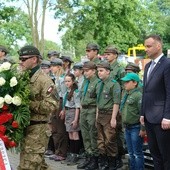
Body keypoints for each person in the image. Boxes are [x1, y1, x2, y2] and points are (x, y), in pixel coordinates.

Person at [17, 45, 58, 170]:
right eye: (20, 59)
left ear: (34, 59)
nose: (20, 62)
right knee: (38, 166)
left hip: (38, 129)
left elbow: (52, 105)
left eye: (24, 59)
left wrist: (27, 103)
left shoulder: (44, 80)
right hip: (26, 128)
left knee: (28, 166)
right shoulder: (24, 77)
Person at [140, 34, 170, 170]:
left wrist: (168, 117)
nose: (146, 49)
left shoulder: (167, 64)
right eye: (145, 46)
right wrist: (142, 113)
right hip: (148, 117)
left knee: (166, 156)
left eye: (148, 46)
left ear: (158, 46)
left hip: (162, 119)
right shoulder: (147, 67)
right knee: (154, 154)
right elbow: (145, 92)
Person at [96, 61, 121, 170]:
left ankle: (112, 163)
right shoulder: (99, 84)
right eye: (98, 71)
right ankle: (104, 162)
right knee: (100, 141)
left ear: (108, 72)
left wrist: (113, 118)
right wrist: (97, 115)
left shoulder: (114, 84)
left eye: (101, 71)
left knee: (110, 140)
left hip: (109, 114)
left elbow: (116, 102)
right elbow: (98, 101)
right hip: (100, 114)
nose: (99, 73)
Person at [104, 45, 126, 167]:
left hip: (116, 103)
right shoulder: (106, 68)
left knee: (117, 131)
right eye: (105, 54)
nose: (106, 56)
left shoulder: (119, 70)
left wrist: (120, 106)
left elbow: (124, 88)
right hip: (107, 104)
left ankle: (119, 157)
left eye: (109, 54)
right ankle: (111, 156)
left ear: (115, 55)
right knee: (109, 132)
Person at [77, 61, 99, 170]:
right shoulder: (86, 82)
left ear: (94, 71)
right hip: (84, 110)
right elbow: (81, 95)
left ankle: (95, 159)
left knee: (92, 134)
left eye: (87, 71)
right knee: (85, 134)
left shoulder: (97, 82)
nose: (85, 73)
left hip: (92, 110)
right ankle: (88, 156)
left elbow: (98, 100)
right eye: (84, 71)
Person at [121, 73, 145, 170]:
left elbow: (142, 113)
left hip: (135, 127)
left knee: (137, 153)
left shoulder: (138, 95)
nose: (125, 84)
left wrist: (143, 129)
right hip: (127, 127)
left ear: (135, 83)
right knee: (130, 153)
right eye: (124, 82)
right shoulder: (127, 94)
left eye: (127, 82)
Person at [61, 73, 81, 166]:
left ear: (73, 81)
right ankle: (71, 153)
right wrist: (63, 111)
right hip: (68, 112)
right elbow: (65, 103)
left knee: (75, 134)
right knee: (70, 133)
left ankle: (75, 154)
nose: (67, 83)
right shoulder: (67, 91)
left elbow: (77, 107)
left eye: (69, 81)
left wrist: (76, 119)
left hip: (73, 113)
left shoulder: (75, 92)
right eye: (65, 81)